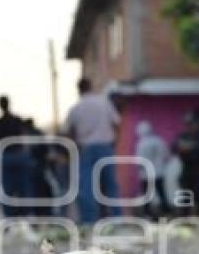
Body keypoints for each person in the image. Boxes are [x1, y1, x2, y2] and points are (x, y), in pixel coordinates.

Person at [65, 78, 122, 224]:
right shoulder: (104, 103)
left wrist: (75, 146)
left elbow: (69, 132)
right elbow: (116, 123)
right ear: (91, 86)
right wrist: (115, 141)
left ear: (78, 89)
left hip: (86, 148)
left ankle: (89, 221)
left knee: (87, 186)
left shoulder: (76, 108)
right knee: (110, 184)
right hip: (105, 146)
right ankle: (117, 218)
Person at [0, 95, 30, 218]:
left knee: (8, 188)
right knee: (22, 187)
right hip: (17, 154)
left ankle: (10, 216)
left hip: (7, 155)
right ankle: (23, 215)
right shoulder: (17, 119)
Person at [135, 121, 171, 219]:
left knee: (147, 195)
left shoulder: (141, 144)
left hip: (146, 174)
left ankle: (148, 213)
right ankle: (166, 211)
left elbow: (139, 160)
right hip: (159, 172)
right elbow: (166, 155)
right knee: (161, 192)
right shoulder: (159, 140)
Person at [174, 113, 199, 217]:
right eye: (189, 124)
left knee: (198, 192)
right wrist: (184, 149)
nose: (191, 126)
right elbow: (175, 147)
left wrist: (189, 148)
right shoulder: (184, 135)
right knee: (186, 192)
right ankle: (185, 214)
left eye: (193, 124)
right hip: (186, 167)